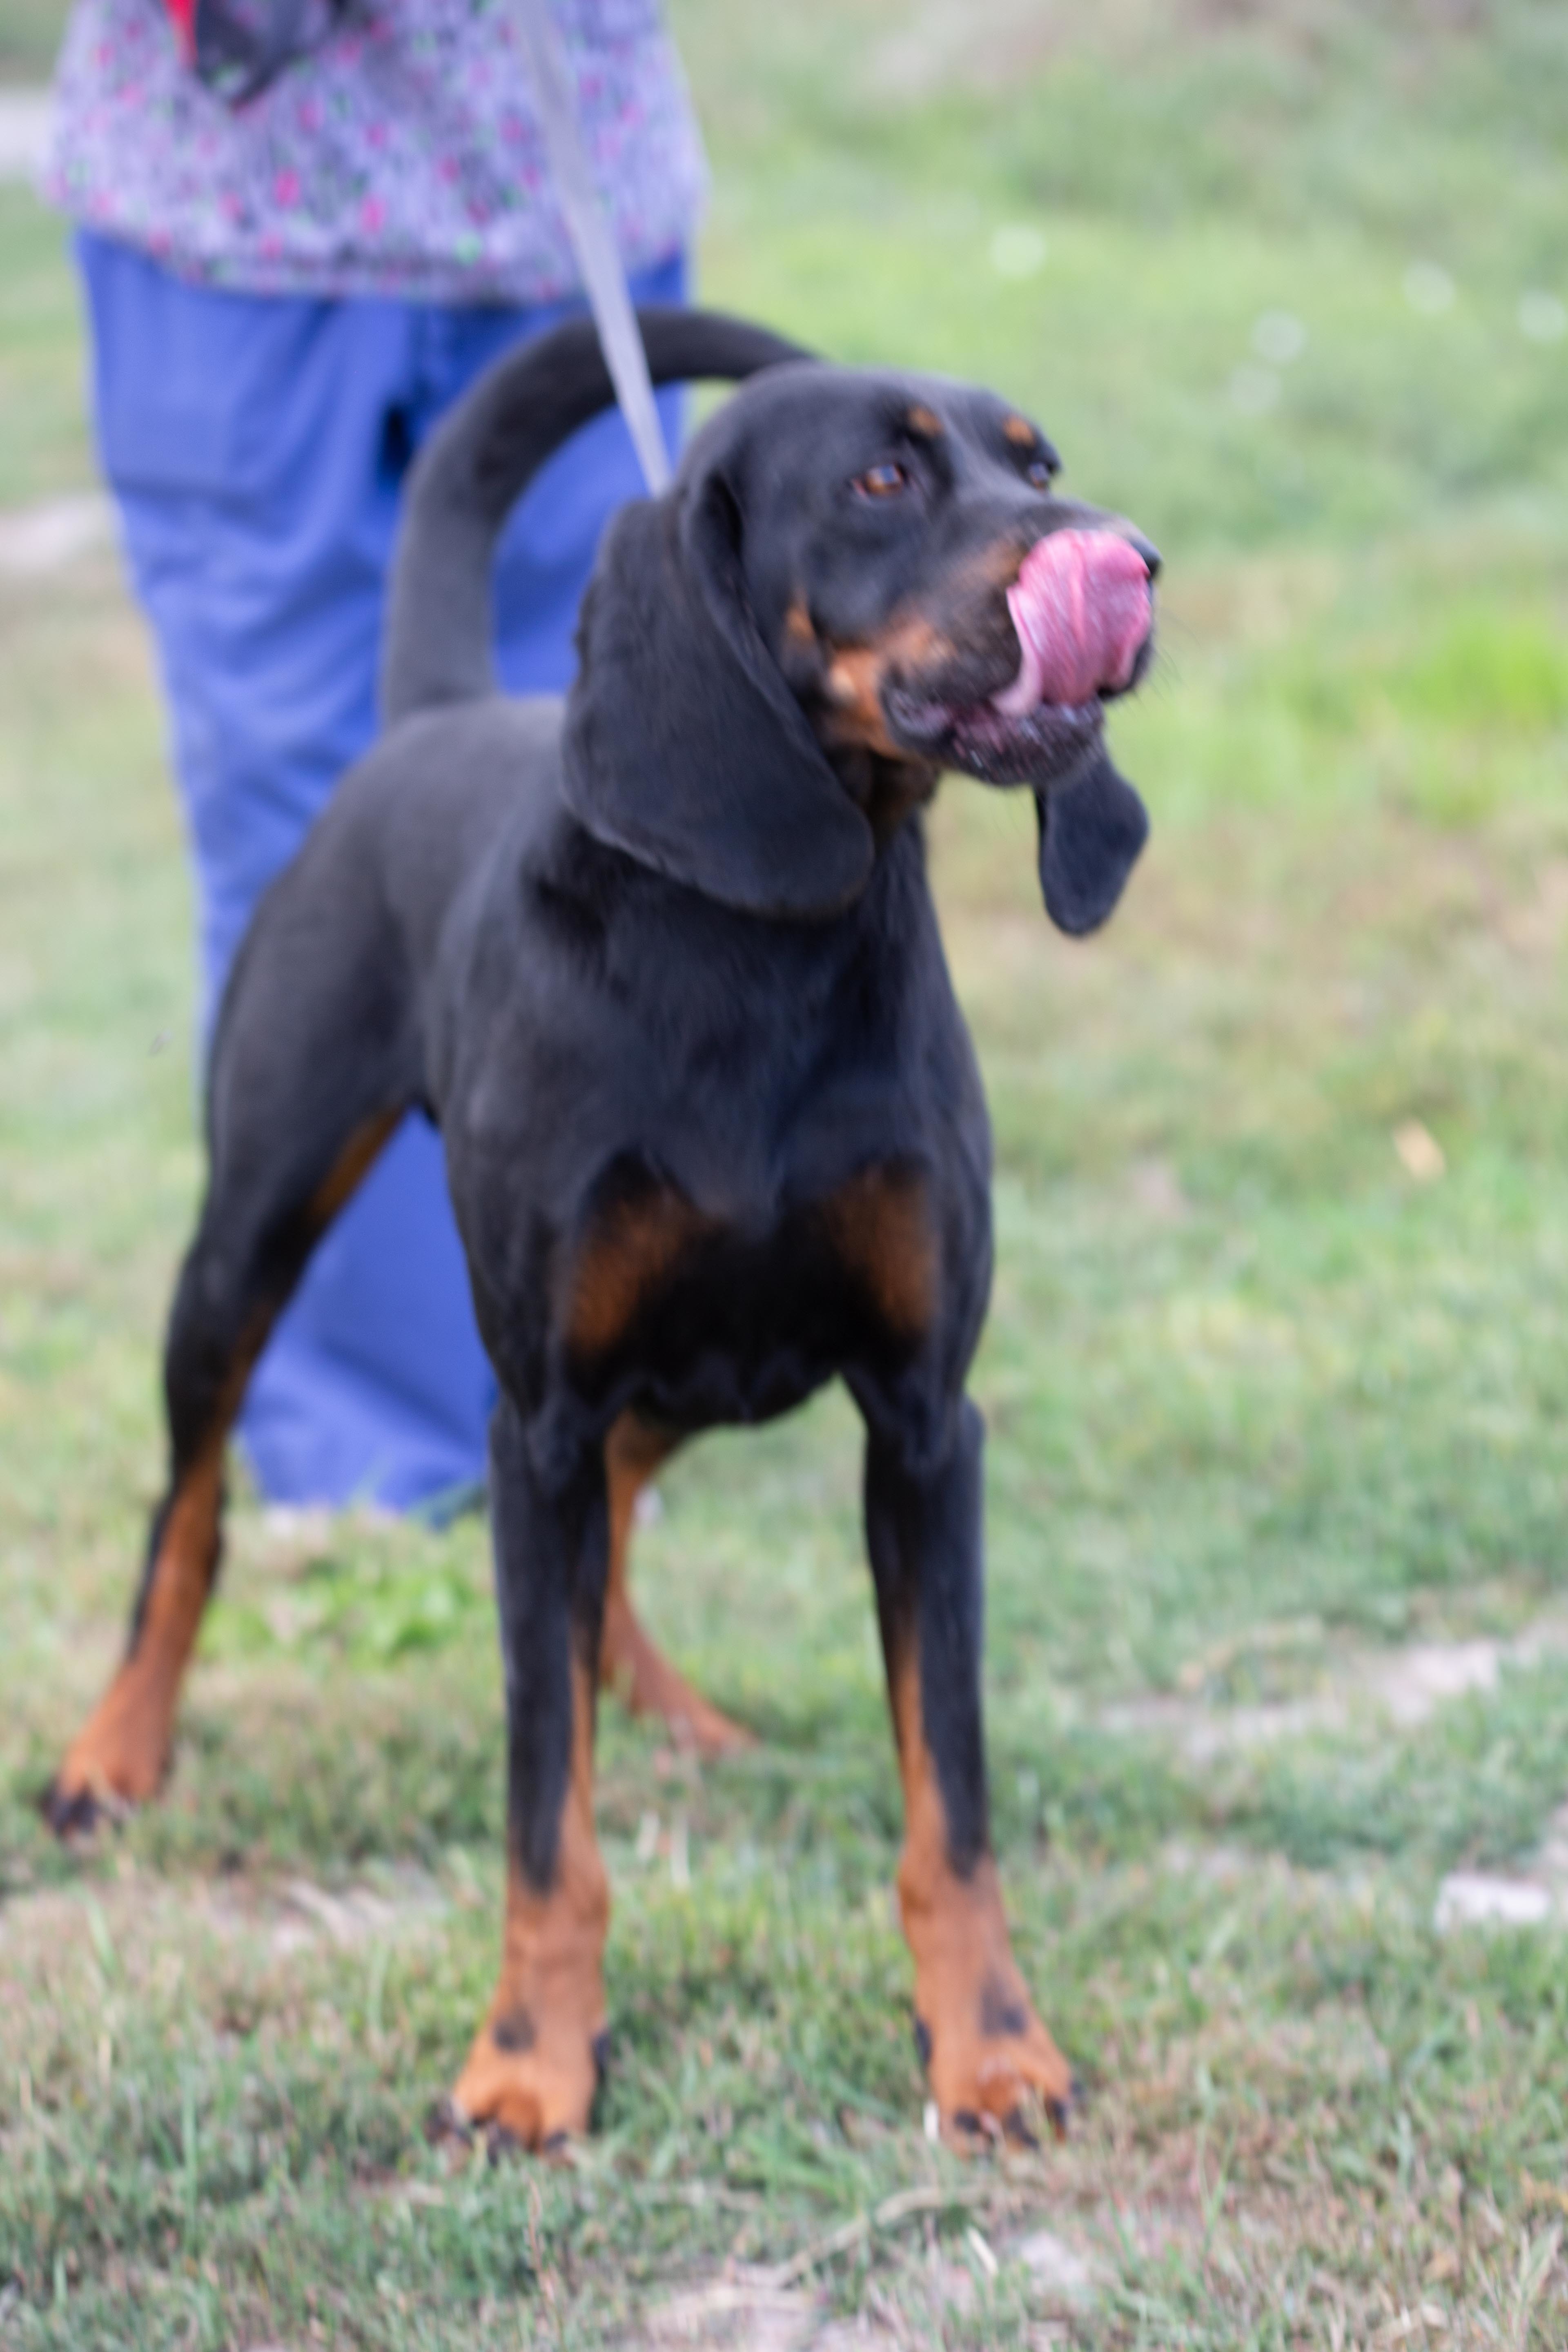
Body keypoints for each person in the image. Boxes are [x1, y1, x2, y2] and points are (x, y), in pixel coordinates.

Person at [41, 0, 706, 1513]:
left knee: (595, 825)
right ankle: (374, 1449)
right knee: (303, 842)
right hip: (234, 221)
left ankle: (595, 1368)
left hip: (564, 189)